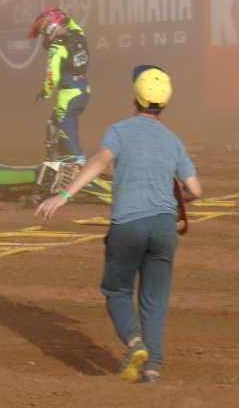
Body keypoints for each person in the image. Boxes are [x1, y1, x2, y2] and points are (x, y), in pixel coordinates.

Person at [35, 65, 201, 384]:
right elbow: (195, 189)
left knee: (116, 290)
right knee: (154, 300)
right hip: (164, 227)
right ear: (165, 104)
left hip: (128, 225)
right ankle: (152, 370)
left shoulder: (120, 130)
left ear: (133, 98)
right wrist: (176, 204)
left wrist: (64, 196)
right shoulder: (173, 141)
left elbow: (99, 161)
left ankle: (134, 342)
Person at [28, 6, 90, 164]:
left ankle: (79, 164)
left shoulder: (57, 48)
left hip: (68, 96)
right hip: (83, 91)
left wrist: (45, 93)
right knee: (53, 123)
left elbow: (52, 77)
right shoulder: (80, 35)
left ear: (51, 29)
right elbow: (73, 24)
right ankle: (55, 161)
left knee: (66, 130)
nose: (45, 39)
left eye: (44, 34)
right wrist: (63, 16)